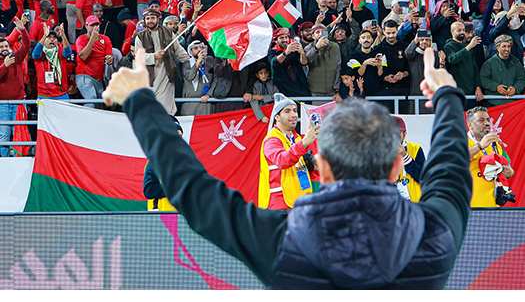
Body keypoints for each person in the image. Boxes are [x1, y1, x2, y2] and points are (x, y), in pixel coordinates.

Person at [103, 43, 470, 289]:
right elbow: (451, 166)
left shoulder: (288, 243)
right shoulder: (436, 236)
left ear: (322, 167)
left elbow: (194, 192)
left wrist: (139, 98)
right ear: (396, 167)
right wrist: (447, 94)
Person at [258, 93, 318, 210]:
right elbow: (282, 161)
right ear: (277, 117)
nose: (294, 114)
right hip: (280, 205)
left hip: (299, 202)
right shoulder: (271, 140)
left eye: (295, 110)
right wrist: (304, 143)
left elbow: (302, 168)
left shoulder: (297, 138)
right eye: (287, 111)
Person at [135, 7, 189, 116]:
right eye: (148, 18)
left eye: (153, 18)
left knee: (165, 108)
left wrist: (190, 60)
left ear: (158, 19)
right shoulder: (140, 37)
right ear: (144, 20)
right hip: (149, 77)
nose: (150, 21)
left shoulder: (168, 32)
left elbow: (178, 50)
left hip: (166, 74)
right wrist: (154, 56)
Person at [466, 106, 515, 207]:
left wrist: (509, 171)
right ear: (470, 125)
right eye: (481, 120)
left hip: (492, 206)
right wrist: (480, 146)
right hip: (469, 206)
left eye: (488, 120)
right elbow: (456, 159)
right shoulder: (460, 141)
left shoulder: (495, 144)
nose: (487, 123)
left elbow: (509, 169)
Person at [0, 17, 29, 157]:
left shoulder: (16, 58)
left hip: (18, 103)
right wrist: (5, 65)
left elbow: (26, 46)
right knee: (4, 135)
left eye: (6, 46)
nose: (4, 49)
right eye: (1, 47)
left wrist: (22, 30)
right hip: (2, 105)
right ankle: (4, 162)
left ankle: (19, 160)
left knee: (20, 134)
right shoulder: (5, 62)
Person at [75, 15, 113, 107]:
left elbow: (109, 57)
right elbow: (83, 56)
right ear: (86, 26)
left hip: (98, 78)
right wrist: (92, 39)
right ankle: (85, 121)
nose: (95, 27)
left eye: (97, 25)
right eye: (92, 25)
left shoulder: (105, 39)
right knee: (91, 101)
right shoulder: (81, 39)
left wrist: (109, 59)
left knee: (100, 106)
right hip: (84, 76)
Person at [444, 22, 484, 105]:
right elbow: (452, 59)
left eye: (463, 30)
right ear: (452, 32)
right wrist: (469, 47)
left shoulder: (468, 46)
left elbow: (475, 68)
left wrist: (478, 87)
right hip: (457, 91)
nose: (462, 32)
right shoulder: (449, 45)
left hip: (471, 91)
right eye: (459, 30)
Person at [480, 34, 525, 105]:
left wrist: (515, 89)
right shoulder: (489, 63)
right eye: (504, 46)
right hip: (493, 103)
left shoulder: (516, 62)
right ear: (497, 47)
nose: (507, 49)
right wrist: (496, 87)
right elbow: (483, 79)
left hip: (513, 102)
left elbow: (521, 79)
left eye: (509, 46)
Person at [31, 23, 72, 99]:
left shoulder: (60, 50)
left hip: (61, 94)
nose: (52, 39)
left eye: (54, 37)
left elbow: (68, 52)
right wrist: (44, 36)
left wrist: (63, 35)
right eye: (49, 37)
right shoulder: (41, 52)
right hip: (44, 95)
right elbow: (35, 55)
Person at [393, 117, 425, 203]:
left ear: (405, 133)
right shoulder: (381, 151)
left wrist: (405, 156)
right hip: (392, 203)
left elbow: (423, 178)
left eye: (397, 133)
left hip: (414, 203)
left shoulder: (416, 149)